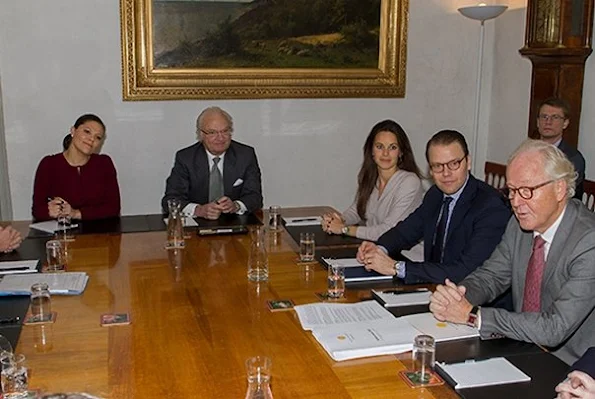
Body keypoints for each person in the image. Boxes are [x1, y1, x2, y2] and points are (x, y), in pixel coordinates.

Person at [429, 139, 595, 365]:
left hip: (570, 366)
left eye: (526, 191)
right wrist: (458, 296)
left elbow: (554, 328)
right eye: (512, 190)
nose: (516, 202)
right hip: (519, 346)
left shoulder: (588, 241)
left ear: (559, 189)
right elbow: (491, 277)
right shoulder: (519, 225)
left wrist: (473, 315)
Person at [357, 130, 511, 284]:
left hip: (472, 298)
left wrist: (396, 267)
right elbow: (405, 232)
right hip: (434, 288)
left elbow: (464, 271)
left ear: (468, 162)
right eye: (437, 166)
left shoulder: (490, 206)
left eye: (453, 164)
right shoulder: (435, 195)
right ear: (430, 170)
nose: (446, 173)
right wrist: (378, 249)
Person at [321, 119, 424, 242]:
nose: (385, 153)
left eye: (392, 147)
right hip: (376, 251)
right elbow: (357, 211)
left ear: (401, 152)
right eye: (379, 147)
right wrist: (337, 220)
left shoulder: (410, 182)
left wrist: (344, 229)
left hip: (406, 256)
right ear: (371, 151)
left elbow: (389, 231)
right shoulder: (371, 178)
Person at [162, 107, 263, 219]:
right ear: (201, 134)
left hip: (235, 222)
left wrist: (236, 206)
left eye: (225, 131)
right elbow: (170, 200)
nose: (220, 138)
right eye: (212, 132)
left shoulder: (245, 155)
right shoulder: (186, 158)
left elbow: (255, 197)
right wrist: (199, 210)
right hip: (197, 224)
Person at [32, 114, 121, 221]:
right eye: (87, 132)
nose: (91, 139)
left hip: (99, 232)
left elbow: (113, 208)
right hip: (63, 233)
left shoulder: (104, 163)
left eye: (98, 137)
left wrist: (76, 213)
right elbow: (37, 210)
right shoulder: (48, 164)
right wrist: (49, 211)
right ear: (73, 131)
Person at [537, 97, 586, 199]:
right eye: (544, 116)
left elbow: (563, 193)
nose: (548, 122)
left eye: (555, 117)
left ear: (565, 123)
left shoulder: (573, 158)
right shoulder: (528, 151)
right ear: (538, 122)